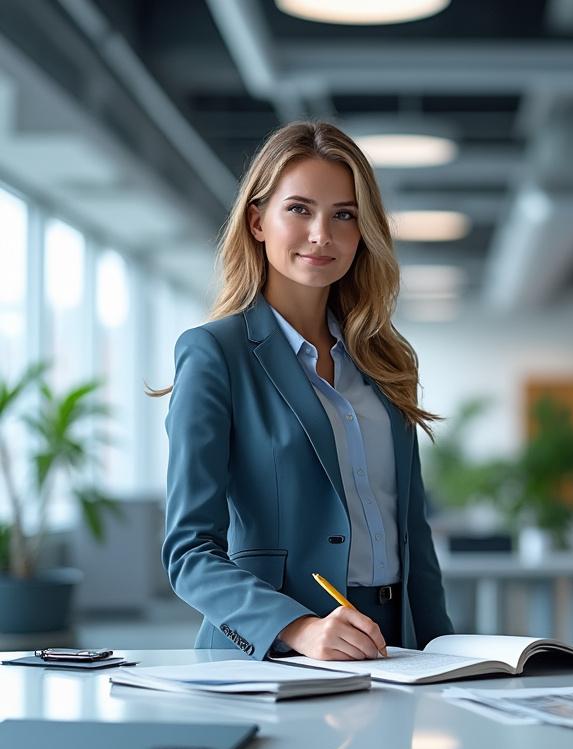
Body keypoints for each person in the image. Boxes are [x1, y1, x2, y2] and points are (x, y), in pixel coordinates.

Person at [153, 121, 453, 662]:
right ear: (257, 221)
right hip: (273, 651)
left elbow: (412, 536)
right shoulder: (214, 354)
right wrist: (300, 629)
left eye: (344, 215)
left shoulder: (385, 360)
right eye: (299, 209)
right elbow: (188, 551)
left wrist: (444, 654)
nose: (323, 234)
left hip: (395, 644)